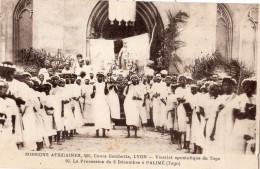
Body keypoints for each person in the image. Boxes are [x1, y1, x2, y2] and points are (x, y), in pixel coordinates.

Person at [230, 77, 256, 155]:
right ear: (243, 87)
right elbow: (235, 114)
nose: (249, 89)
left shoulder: (256, 99)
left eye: (252, 86)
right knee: (239, 147)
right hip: (241, 126)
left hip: (252, 125)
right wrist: (248, 113)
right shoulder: (239, 98)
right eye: (246, 86)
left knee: (250, 148)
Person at [213, 76, 237, 154]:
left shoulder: (237, 98)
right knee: (220, 145)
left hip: (231, 126)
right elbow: (215, 114)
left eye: (228, 85)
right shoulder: (219, 98)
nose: (226, 87)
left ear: (233, 86)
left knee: (229, 146)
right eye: (224, 85)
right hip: (220, 126)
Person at [91, 72, 111, 138]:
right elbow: (92, 96)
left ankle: (104, 133)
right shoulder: (94, 84)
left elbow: (106, 93)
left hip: (103, 101)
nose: (99, 78)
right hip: (97, 101)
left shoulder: (105, 84)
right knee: (97, 116)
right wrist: (93, 92)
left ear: (103, 77)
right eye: (98, 76)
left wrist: (105, 85)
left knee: (104, 116)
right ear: (97, 77)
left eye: (101, 76)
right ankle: (97, 133)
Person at [175, 75, 190, 150]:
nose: (182, 81)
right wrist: (184, 99)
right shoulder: (178, 89)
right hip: (181, 108)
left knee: (187, 125)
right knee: (180, 126)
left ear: (186, 80)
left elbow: (189, 99)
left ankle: (186, 144)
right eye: (181, 80)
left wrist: (184, 99)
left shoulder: (189, 89)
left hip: (188, 108)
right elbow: (179, 100)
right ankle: (179, 144)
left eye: (183, 79)